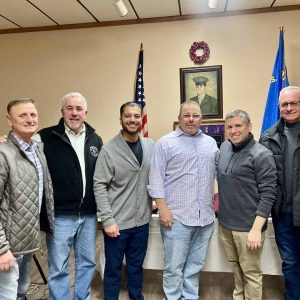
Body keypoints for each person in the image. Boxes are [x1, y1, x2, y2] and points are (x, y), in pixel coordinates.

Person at [148, 100, 219, 299]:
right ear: (179, 118)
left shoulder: (210, 143)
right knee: (174, 267)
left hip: (204, 219)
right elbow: (155, 179)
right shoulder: (165, 143)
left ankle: (189, 297)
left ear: (201, 119)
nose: (191, 119)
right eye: (186, 115)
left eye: (195, 115)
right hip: (176, 218)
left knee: (195, 266)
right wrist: (163, 209)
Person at [37, 92, 103, 300]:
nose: (74, 113)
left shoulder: (95, 139)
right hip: (60, 215)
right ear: (62, 111)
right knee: (59, 267)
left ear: (86, 112)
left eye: (78, 109)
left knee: (87, 263)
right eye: (69, 108)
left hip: (89, 215)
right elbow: (22, 147)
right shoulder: (46, 137)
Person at [94, 102, 154, 300]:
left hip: (142, 222)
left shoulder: (149, 145)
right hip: (117, 223)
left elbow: (153, 178)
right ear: (120, 119)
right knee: (113, 269)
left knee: (136, 267)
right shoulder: (109, 150)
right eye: (128, 116)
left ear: (141, 118)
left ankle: (137, 297)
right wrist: (107, 220)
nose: (132, 120)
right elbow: (99, 186)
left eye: (137, 116)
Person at [218, 110, 277, 300]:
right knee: (236, 267)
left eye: (238, 126)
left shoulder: (262, 154)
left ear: (249, 127)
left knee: (251, 274)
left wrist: (256, 230)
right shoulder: (224, 148)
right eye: (229, 127)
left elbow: (269, 194)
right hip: (226, 224)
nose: (234, 131)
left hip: (248, 228)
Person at [0, 98, 54, 300]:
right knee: (7, 294)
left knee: (21, 291)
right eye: (22, 115)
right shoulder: (3, 153)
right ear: (9, 120)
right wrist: (2, 249)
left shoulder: (37, 150)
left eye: (33, 114)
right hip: (7, 246)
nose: (29, 119)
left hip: (27, 240)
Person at [260, 86, 300, 300]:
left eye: (294, 103)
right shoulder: (268, 137)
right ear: (279, 107)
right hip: (283, 215)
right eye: (285, 104)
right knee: (290, 264)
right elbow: (263, 178)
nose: (289, 107)